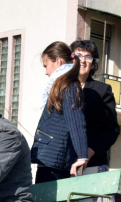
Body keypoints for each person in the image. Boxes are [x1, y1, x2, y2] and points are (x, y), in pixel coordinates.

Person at [31, 42, 89, 183]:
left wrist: (82, 156)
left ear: (57, 61)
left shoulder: (68, 85)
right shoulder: (63, 83)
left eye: (46, 66)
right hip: (51, 157)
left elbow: (75, 121)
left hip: (54, 160)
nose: (46, 72)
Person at [70, 39, 120, 171]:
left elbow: (111, 130)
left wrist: (88, 152)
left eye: (88, 57)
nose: (83, 60)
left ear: (93, 63)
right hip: (63, 160)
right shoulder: (61, 87)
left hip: (91, 163)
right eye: (79, 56)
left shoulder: (102, 90)